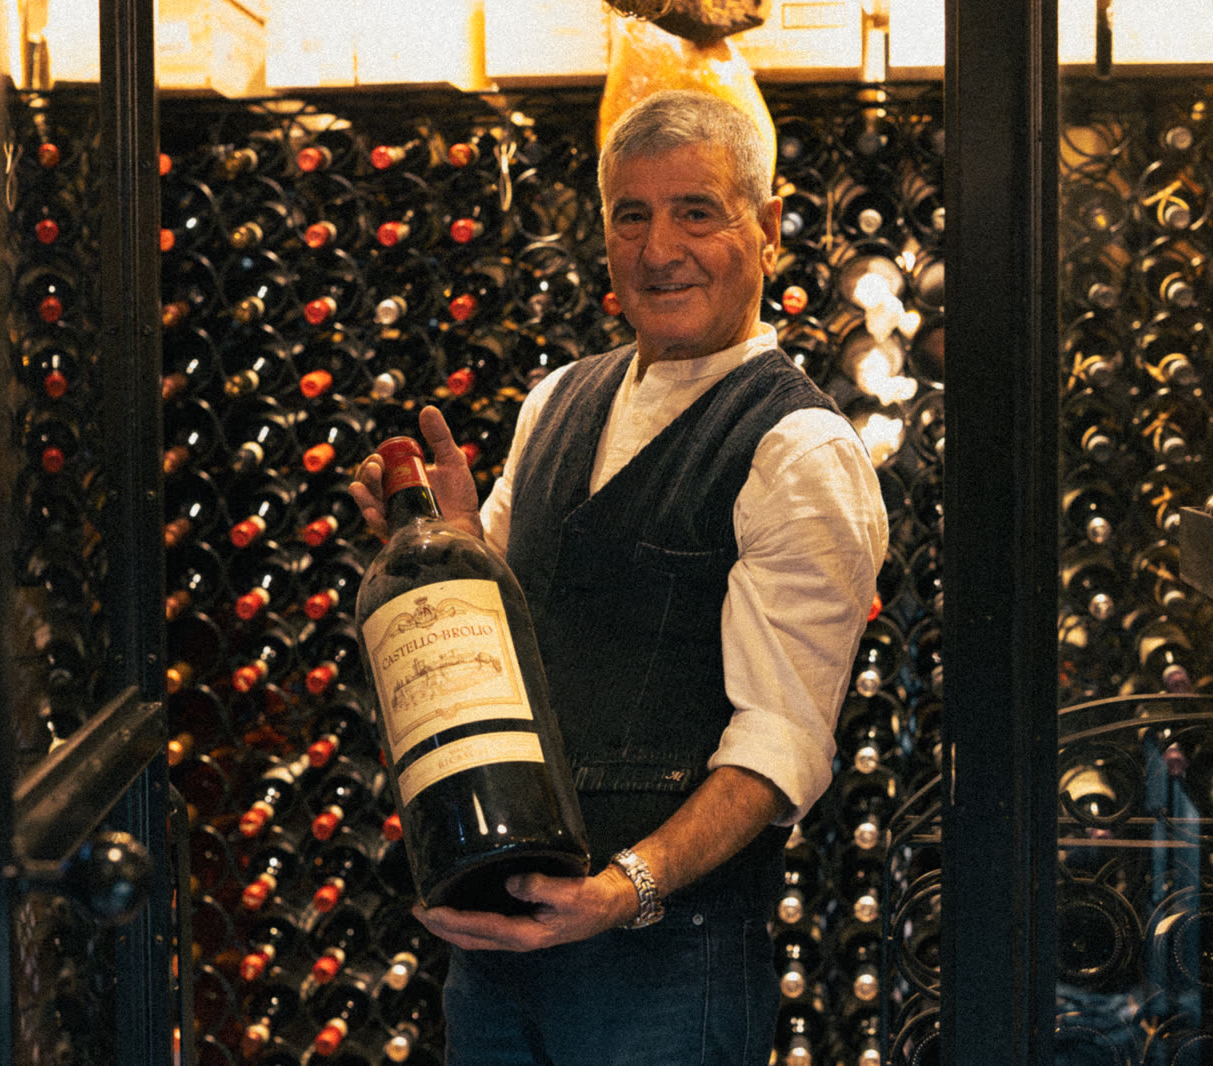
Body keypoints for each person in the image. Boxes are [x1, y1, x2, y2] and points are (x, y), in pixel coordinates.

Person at [350, 88, 888, 1065]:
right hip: (500, 943)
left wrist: (622, 889)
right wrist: (459, 546)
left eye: (696, 210)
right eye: (630, 215)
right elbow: (510, 635)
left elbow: (780, 746)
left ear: (767, 228)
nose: (657, 248)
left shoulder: (800, 449)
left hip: (661, 966)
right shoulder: (557, 399)